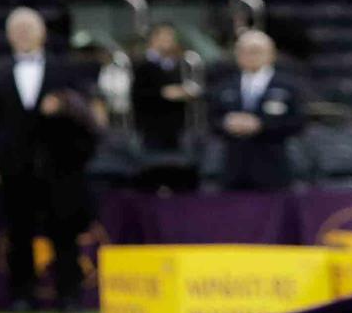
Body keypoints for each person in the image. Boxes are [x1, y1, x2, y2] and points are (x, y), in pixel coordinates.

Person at [0, 8, 103, 312]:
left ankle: (69, 296)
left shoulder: (67, 71)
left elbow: (89, 119)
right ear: (8, 36)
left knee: (65, 235)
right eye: (17, 30)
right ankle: (21, 296)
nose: (23, 35)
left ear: (42, 33)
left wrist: (63, 108)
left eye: (28, 29)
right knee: (19, 235)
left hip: (61, 168)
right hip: (15, 169)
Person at [211, 29, 304, 192]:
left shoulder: (287, 85)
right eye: (243, 51)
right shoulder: (224, 85)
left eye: (255, 51)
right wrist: (227, 124)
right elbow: (212, 120)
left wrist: (261, 125)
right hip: (234, 168)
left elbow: (298, 122)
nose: (249, 56)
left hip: (273, 167)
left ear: (271, 54)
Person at [129, 22, 199, 192]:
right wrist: (163, 93)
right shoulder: (140, 64)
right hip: (151, 128)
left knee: (177, 172)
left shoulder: (180, 64)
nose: (168, 41)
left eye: (171, 37)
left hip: (176, 127)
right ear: (153, 39)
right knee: (152, 172)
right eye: (164, 37)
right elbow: (137, 95)